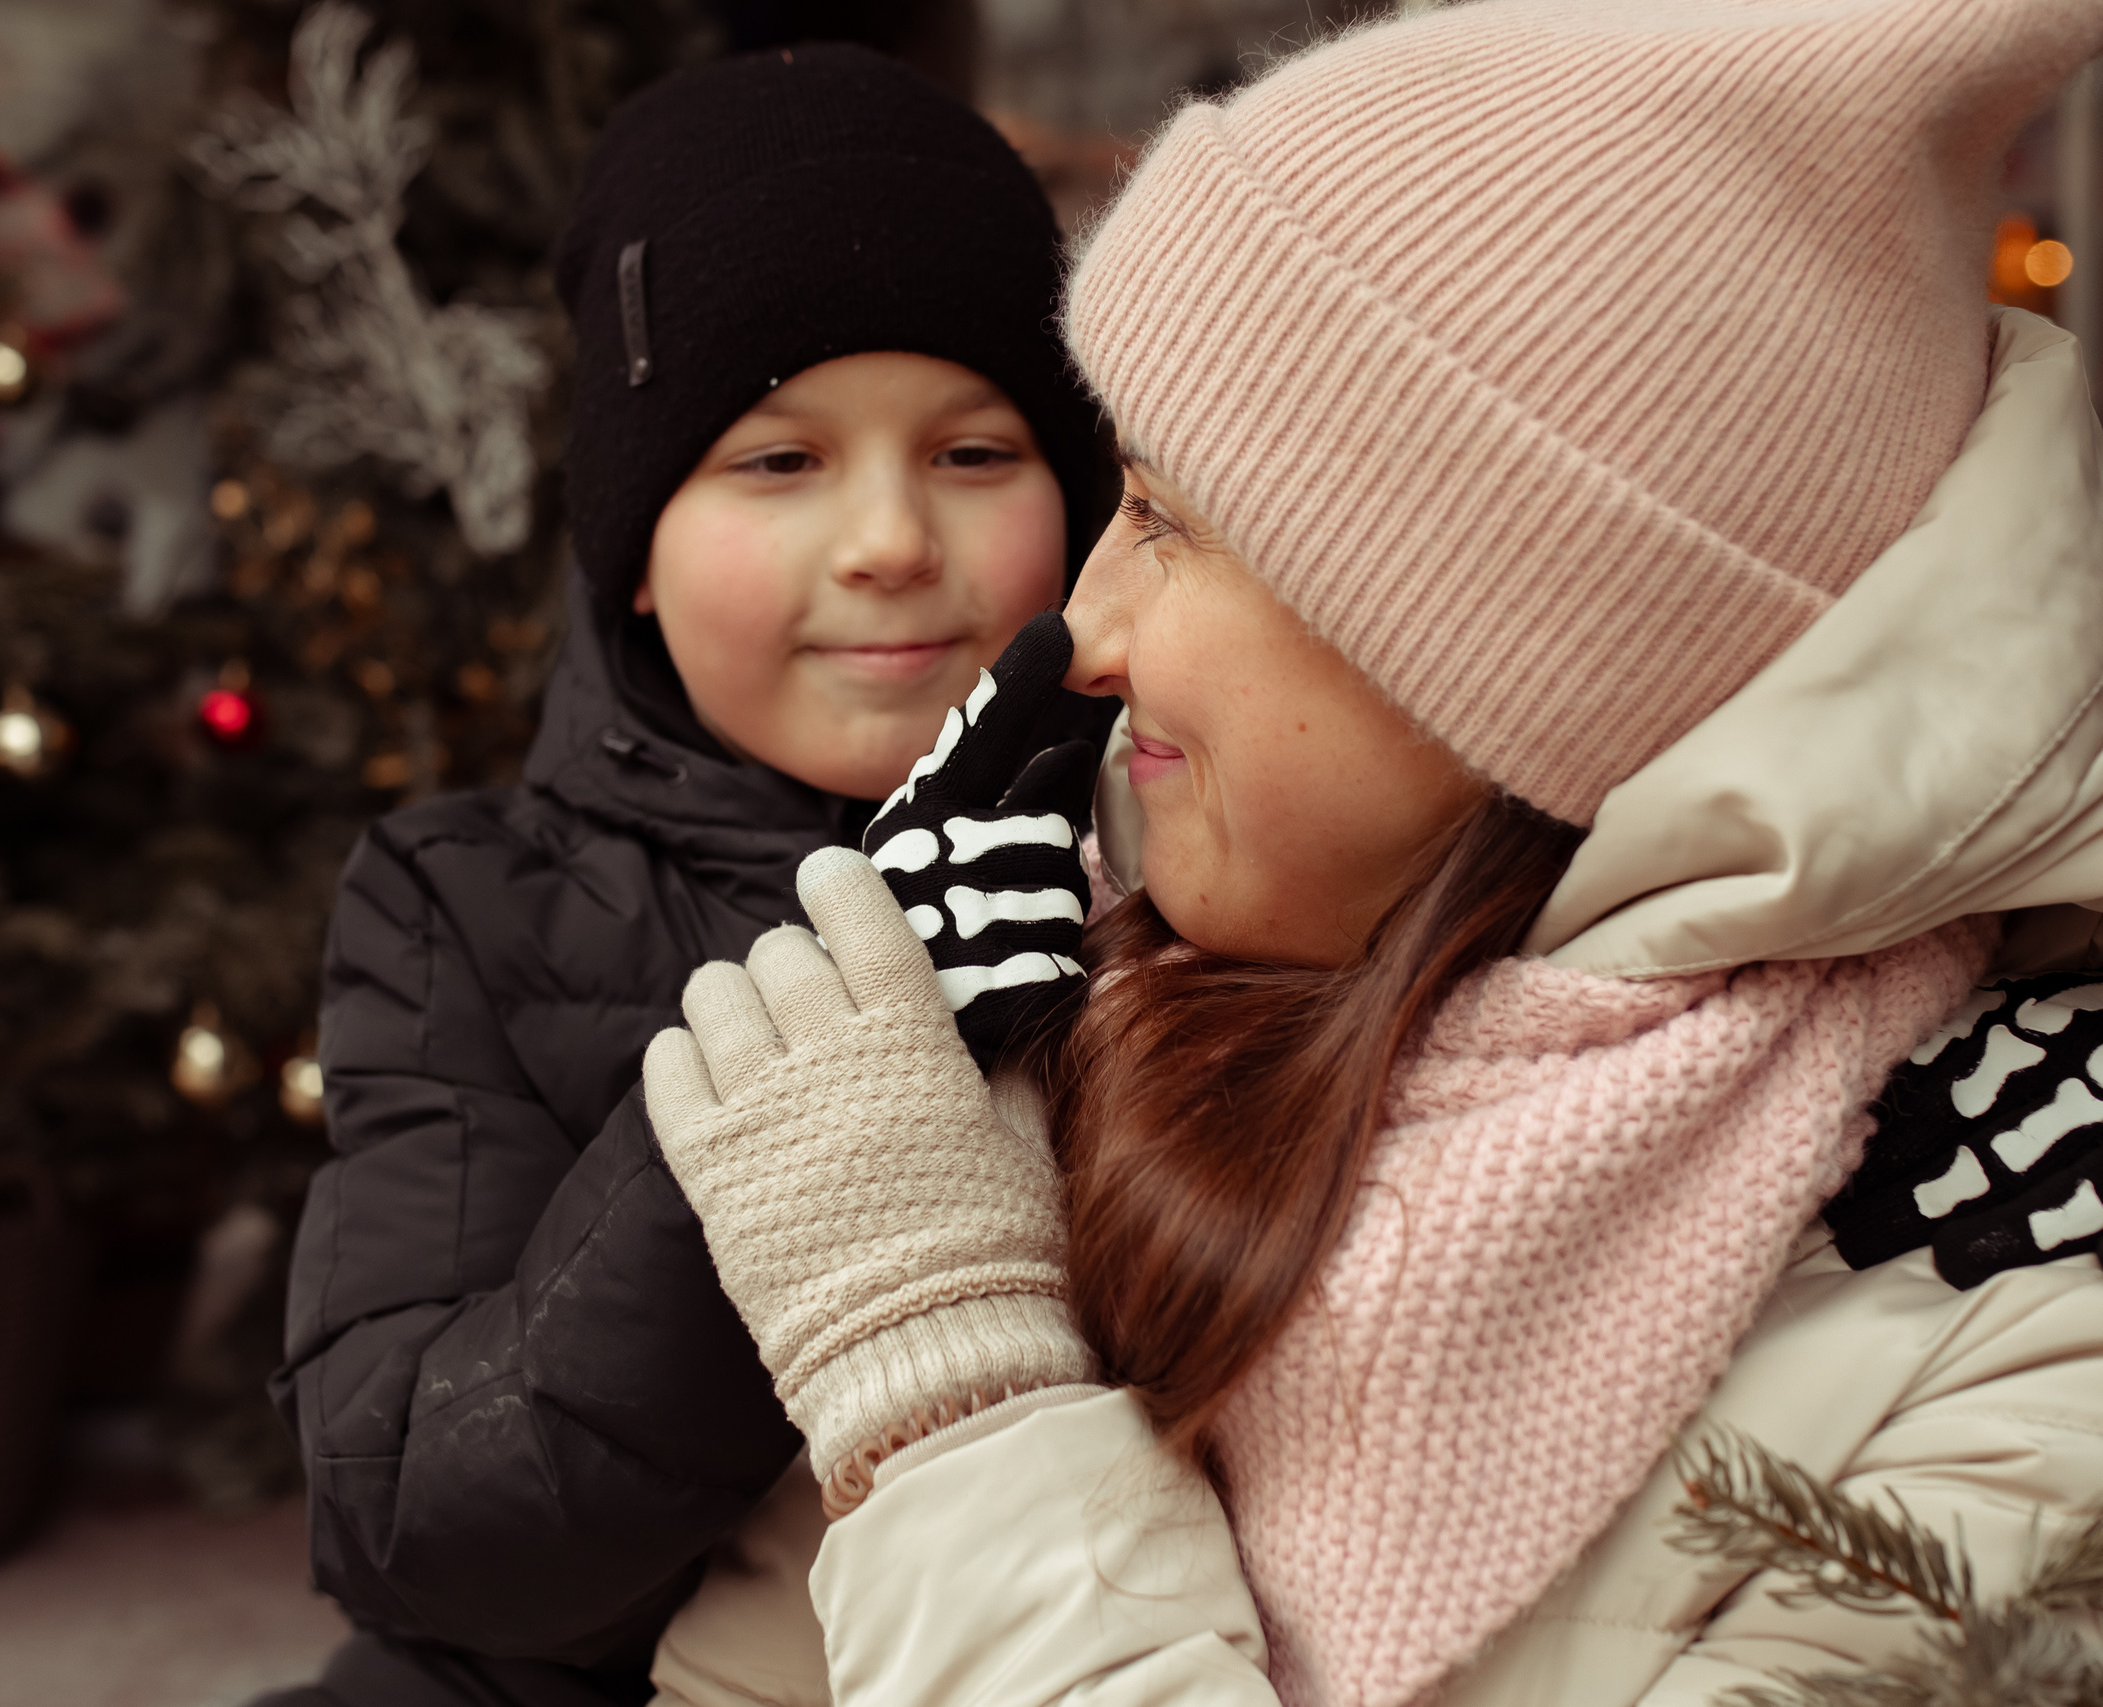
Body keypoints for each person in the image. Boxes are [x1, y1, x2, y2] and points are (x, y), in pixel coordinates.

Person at [636, 3, 2103, 1704]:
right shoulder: (1078, 986)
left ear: (1521, 662)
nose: (1082, 626)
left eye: (1175, 523)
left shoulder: (2015, 1315)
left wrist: (954, 1398)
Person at [260, 43, 1112, 1707]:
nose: (885, 538)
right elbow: (412, 1523)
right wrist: (802, 1106)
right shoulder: (462, 908)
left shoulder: (1170, 850)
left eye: (976, 452)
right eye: (779, 461)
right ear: (633, 557)